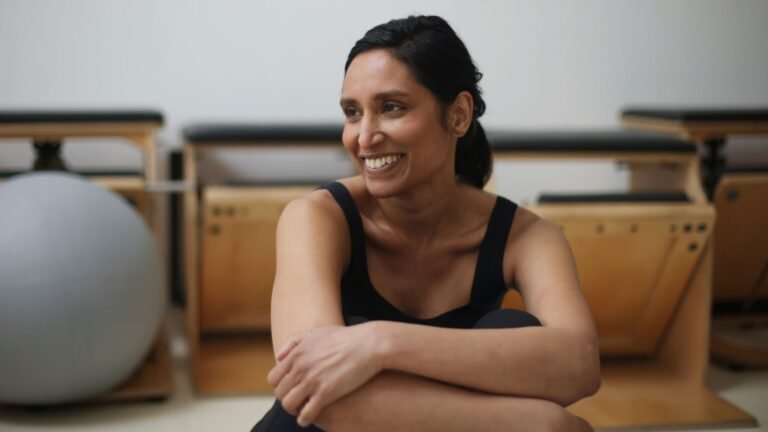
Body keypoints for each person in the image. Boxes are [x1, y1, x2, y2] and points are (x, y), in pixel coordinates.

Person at [252, 15, 600, 432]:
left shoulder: (526, 236)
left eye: (391, 108)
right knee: (335, 349)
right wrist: (536, 423)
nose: (364, 137)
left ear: (458, 115)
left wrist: (382, 343)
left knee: (513, 329)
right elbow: (309, 390)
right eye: (352, 113)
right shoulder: (317, 216)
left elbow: (579, 364)